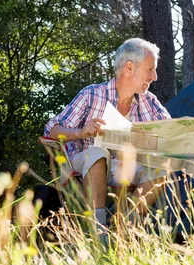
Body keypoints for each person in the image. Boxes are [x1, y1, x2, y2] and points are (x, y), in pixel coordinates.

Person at [44, 38, 170, 227]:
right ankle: (99, 230)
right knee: (98, 153)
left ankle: (125, 227)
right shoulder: (92, 95)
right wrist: (81, 132)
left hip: (127, 167)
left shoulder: (149, 101)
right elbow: (51, 129)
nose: (155, 77)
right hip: (86, 165)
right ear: (129, 68)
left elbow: (171, 129)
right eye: (150, 69)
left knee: (162, 165)